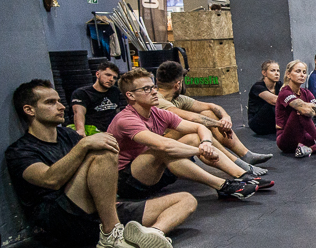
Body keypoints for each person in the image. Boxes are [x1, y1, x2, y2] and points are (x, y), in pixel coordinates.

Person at [6, 79, 196, 248]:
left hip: (97, 213)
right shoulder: (20, 151)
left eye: (59, 101)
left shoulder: (67, 136)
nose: (61, 106)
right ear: (29, 110)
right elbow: (50, 180)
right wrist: (84, 145)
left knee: (186, 200)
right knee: (103, 150)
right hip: (61, 220)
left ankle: (152, 233)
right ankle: (112, 233)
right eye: (50, 102)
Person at [108, 69, 258, 201]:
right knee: (163, 149)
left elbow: (199, 126)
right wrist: (200, 151)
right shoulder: (126, 119)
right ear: (131, 95)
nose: (154, 92)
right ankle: (222, 185)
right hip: (128, 182)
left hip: (156, 174)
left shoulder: (158, 112)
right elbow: (164, 145)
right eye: (146, 89)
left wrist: (206, 143)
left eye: (153, 87)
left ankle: (242, 175)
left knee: (194, 137)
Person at [154, 61, 272, 175]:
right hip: (160, 145)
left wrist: (226, 118)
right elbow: (192, 118)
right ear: (177, 84)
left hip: (172, 140)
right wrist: (219, 124)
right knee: (197, 129)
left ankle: (246, 154)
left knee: (207, 113)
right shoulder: (158, 100)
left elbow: (211, 106)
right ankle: (237, 163)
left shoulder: (177, 99)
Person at [70, 60, 124, 134]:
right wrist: (81, 131)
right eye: (108, 75)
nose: (111, 79)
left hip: (110, 131)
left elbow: (118, 112)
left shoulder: (115, 91)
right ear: (97, 74)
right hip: (91, 131)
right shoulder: (82, 93)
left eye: (114, 78)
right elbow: (79, 113)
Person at [247, 60, 281, 136]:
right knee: (273, 104)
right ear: (264, 73)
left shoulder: (279, 85)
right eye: (272, 71)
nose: (276, 73)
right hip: (257, 124)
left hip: (272, 123)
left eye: (278, 71)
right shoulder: (257, 87)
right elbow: (274, 100)